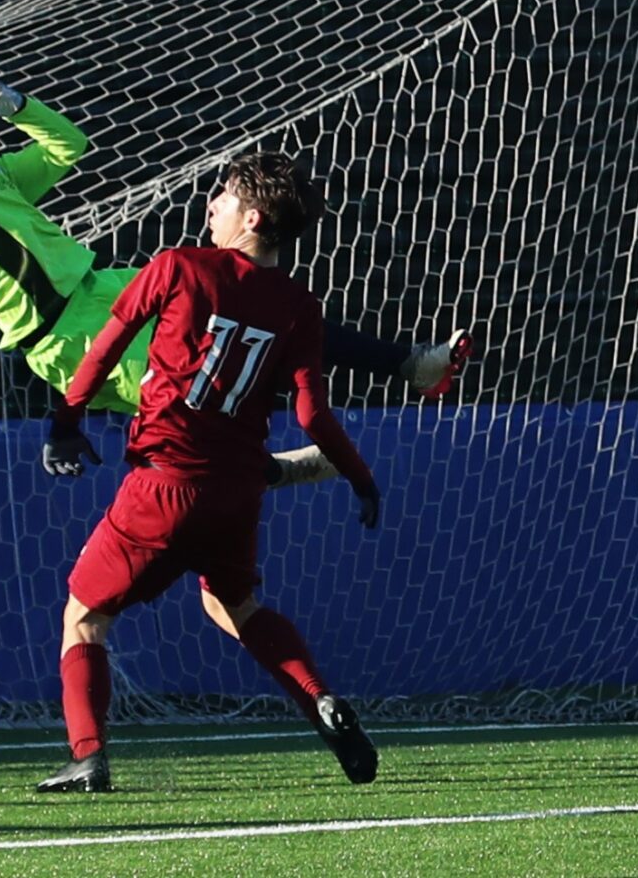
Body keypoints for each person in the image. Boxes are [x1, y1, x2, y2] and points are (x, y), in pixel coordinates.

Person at [0, 0, 471, 486]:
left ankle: (408, 366)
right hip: (65, 335)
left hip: (107, 288)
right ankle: (270, 468)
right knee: (194, 405)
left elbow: (68, 146)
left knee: (254, 319)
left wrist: (0, 101)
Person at [38, 152, 382, 792]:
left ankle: (88, 755)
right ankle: (320, 699)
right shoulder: (300, 307)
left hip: (162, 484)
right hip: (236, 495)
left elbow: (109, 344)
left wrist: (65, 420)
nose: (211, 205)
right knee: (237, 605)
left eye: (223, 196)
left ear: (252, 218)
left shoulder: (178, 266)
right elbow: (312, 414)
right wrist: (360, 478)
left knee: (83, 616)